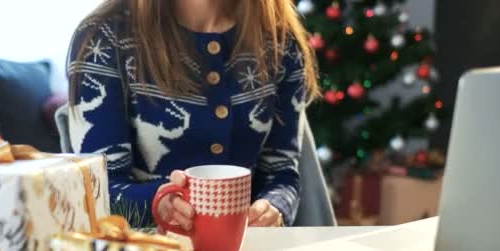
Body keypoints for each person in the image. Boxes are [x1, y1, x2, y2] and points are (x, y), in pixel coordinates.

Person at [67, 0, 319, 229]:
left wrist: (274, 209)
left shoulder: (281, 40)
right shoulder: (102, 39)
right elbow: (96, 190)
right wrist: (159, 203)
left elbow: (282, 171)